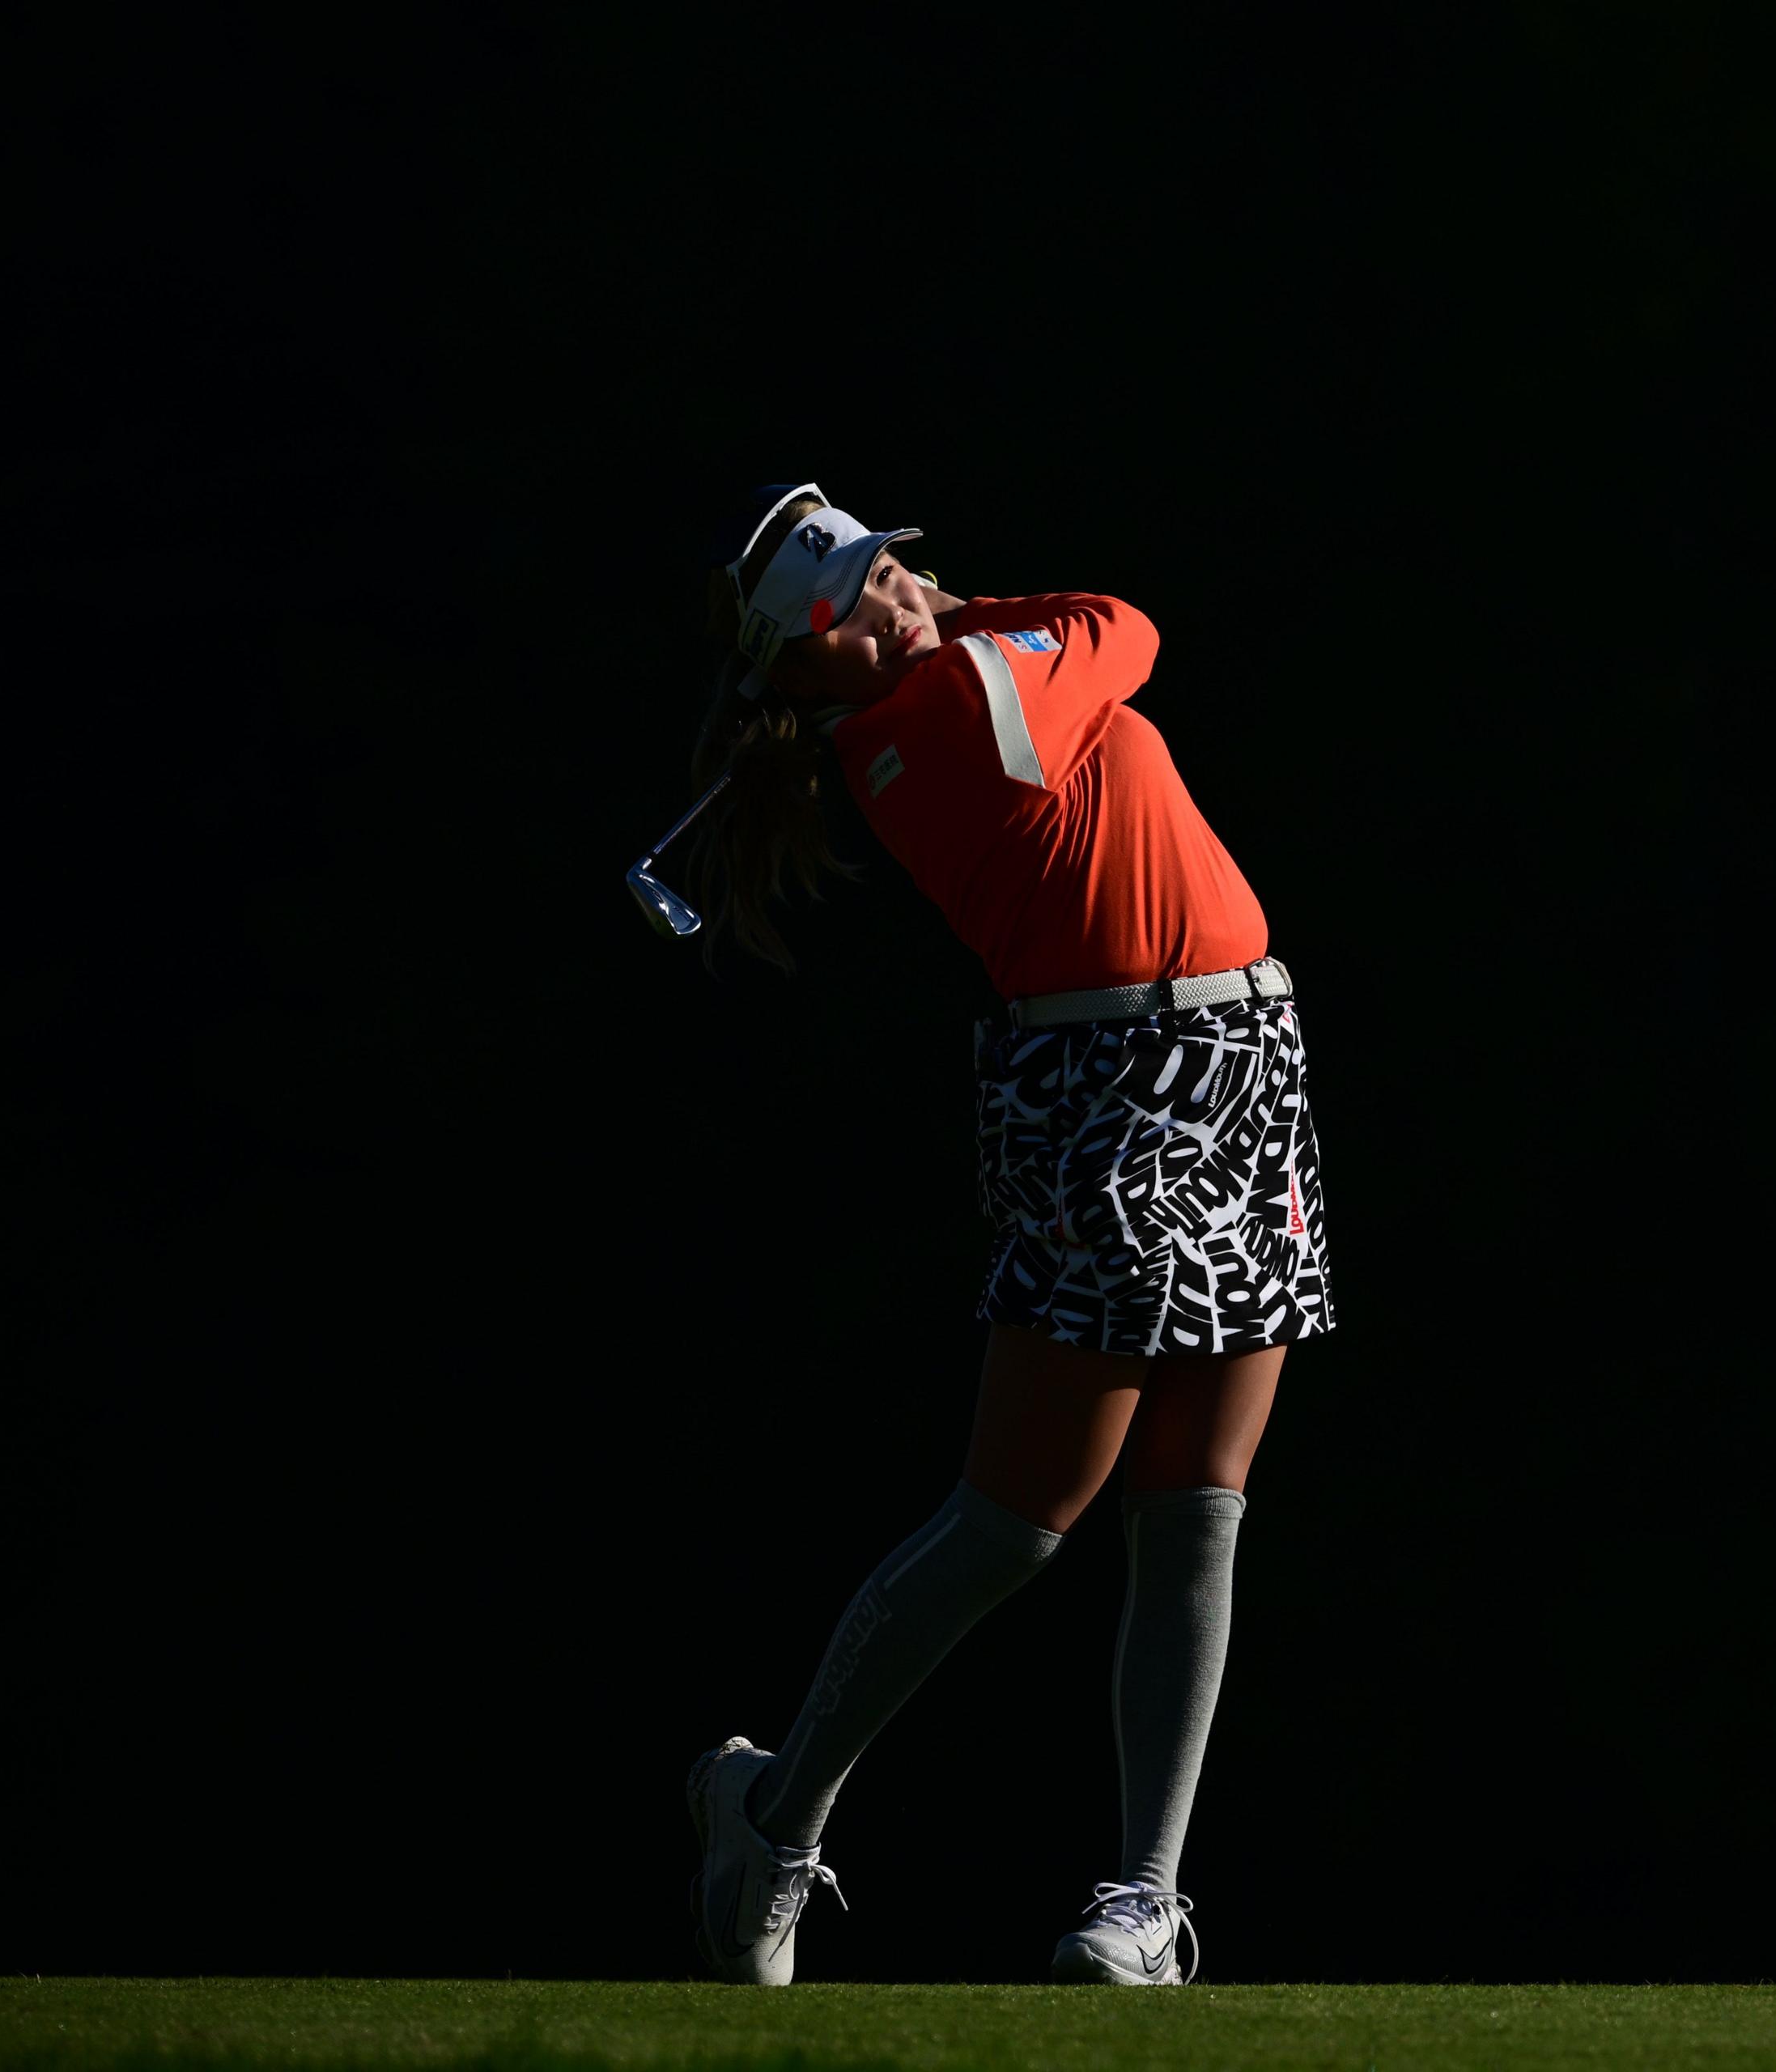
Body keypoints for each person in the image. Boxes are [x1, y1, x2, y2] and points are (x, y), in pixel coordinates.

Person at [674, 484, 1334, 1987]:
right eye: (859, 601)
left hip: (1243, 1065)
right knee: (1017, 1521)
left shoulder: (932, 683)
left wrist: (907, 606)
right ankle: (771, 1816)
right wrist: (958, 617)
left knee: (1199, 1504)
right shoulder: (964, 705)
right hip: (1108, 1095)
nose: (901, 594)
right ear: (814, 667)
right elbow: (1131, 625)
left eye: (889, 567)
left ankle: (1143, 1906)